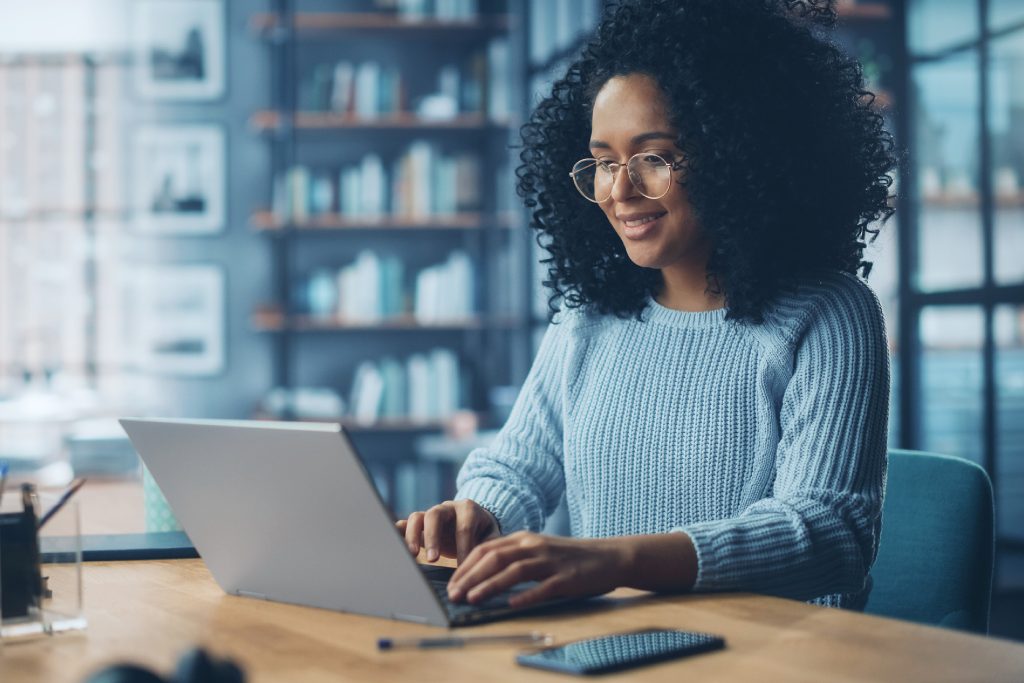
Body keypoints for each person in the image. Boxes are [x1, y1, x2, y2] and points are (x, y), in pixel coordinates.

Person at [397, 0, 895, 611]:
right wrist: (477, 516)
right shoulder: (587, 324)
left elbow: (829, 534)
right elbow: (515, 469)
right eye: (603, 162)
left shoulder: (828, 316)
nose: (619, 191)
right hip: (606, 654)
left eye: (653, 157)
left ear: (739, 151)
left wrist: (613, 561)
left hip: (770, 662)